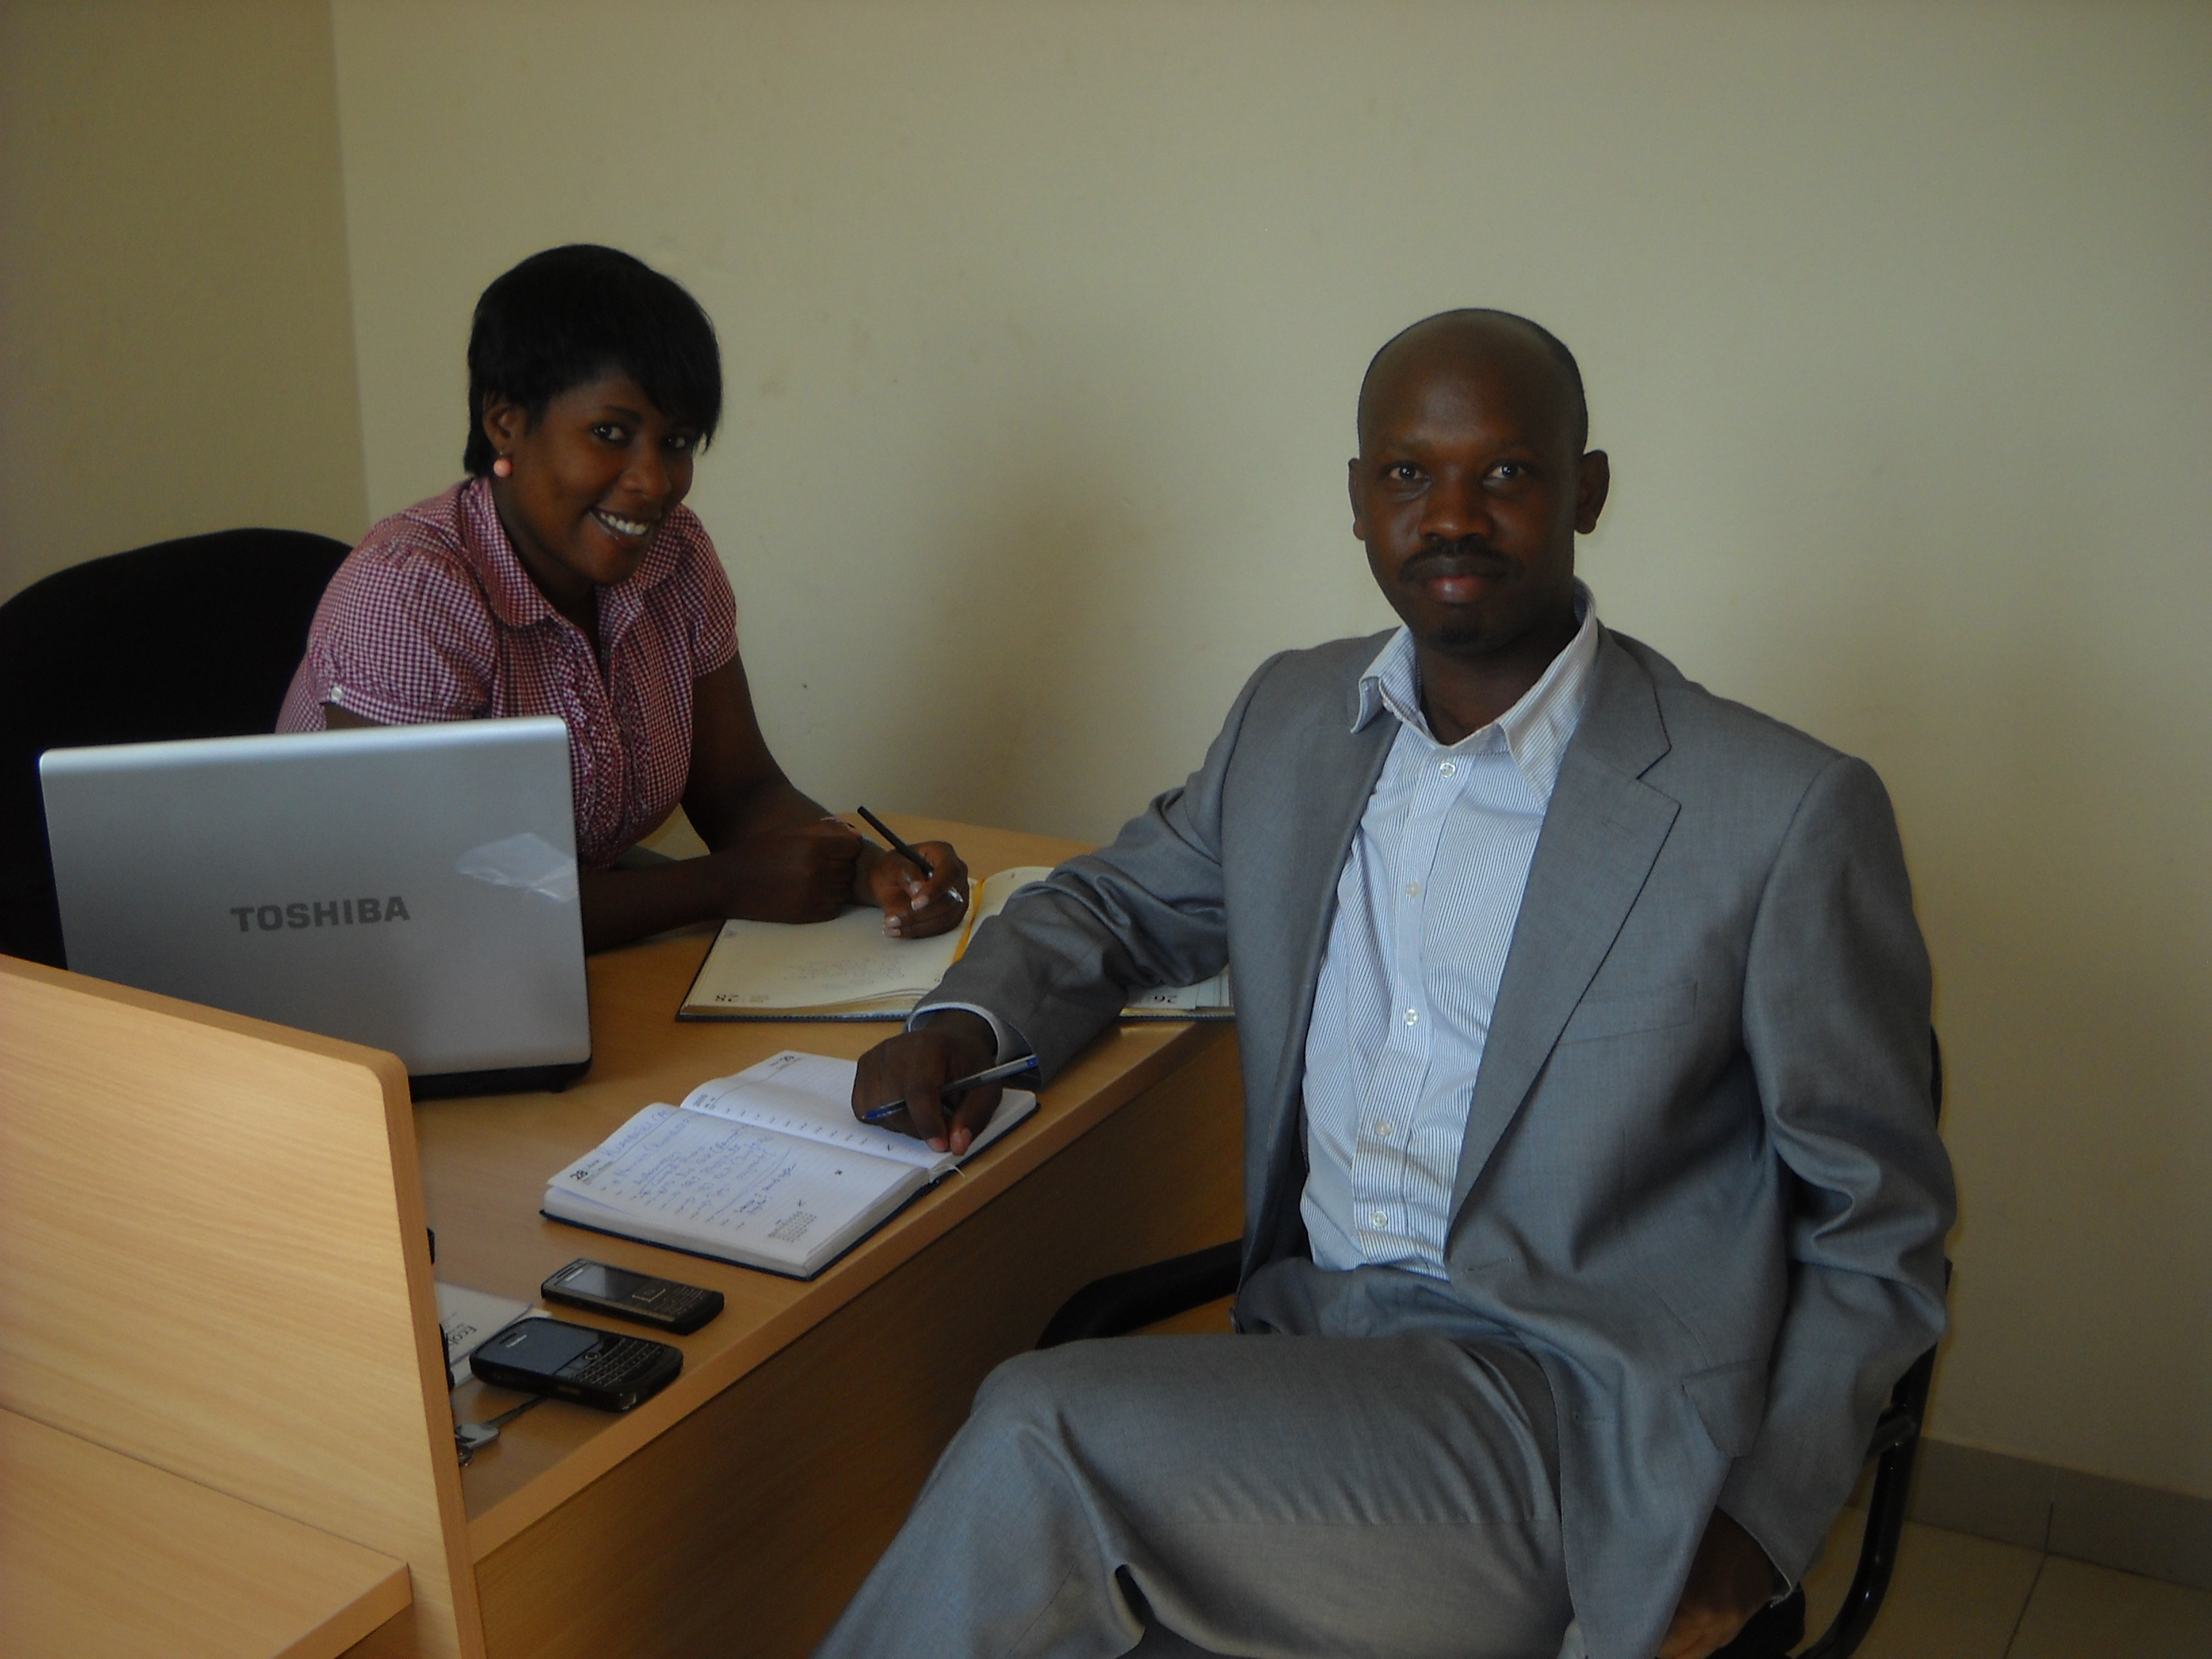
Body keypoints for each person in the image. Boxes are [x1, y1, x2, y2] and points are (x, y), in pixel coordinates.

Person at [819, 311, 1957, 1659]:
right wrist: (966, 1019)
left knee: (1039, 1439)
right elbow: (1120, 905)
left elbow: (1876, 1227)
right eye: (1409, 475)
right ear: (1357, 500)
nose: (1453, 515)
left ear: (1586, 490)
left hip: (1568, 1423)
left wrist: (1758, 1531)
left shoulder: (1773, 812)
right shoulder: (1295, 719)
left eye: (1508, 473)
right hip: (1314, 1362)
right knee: (1048, 1588)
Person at [278, 244, 967, 951]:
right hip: (345, 971)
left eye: (676, 441)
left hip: (557, 950)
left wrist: (869, 870)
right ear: (505, 423)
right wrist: (722, 884)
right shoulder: (411, 589)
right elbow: (428, 901)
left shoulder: (676, 556)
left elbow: (742, 793)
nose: (654, 480)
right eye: (610, 434)